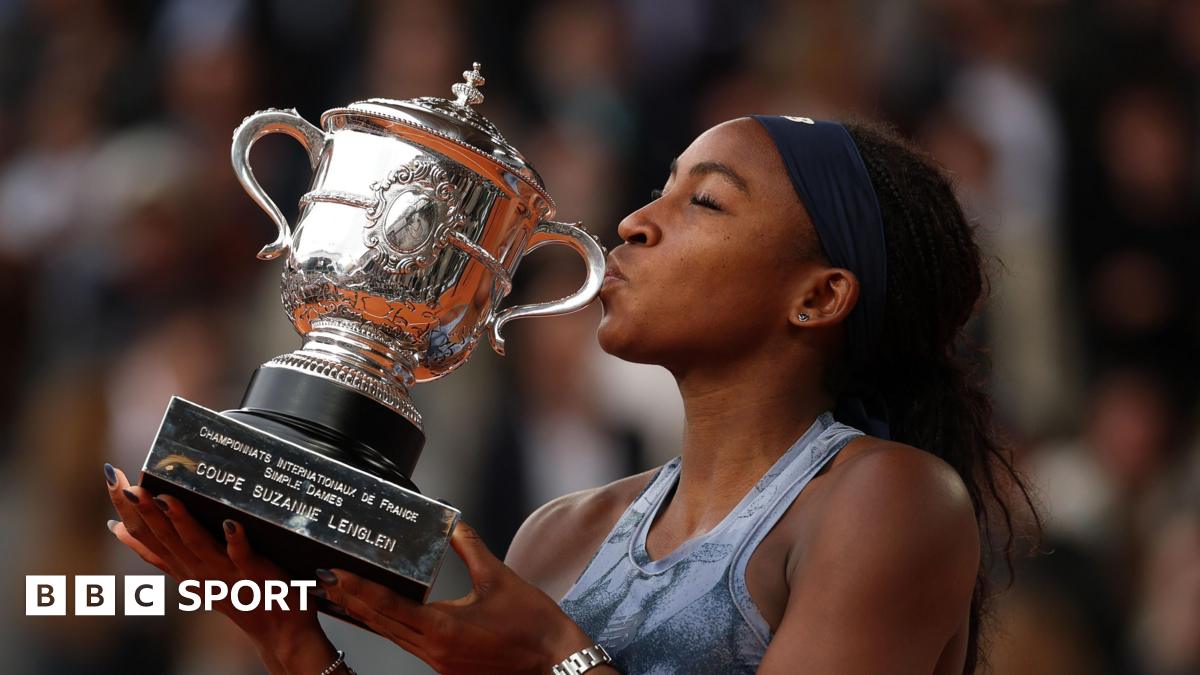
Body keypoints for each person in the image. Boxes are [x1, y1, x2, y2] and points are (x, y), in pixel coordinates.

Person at [105, 115, 1037, 674]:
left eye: (704, 202)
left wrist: (560, 658)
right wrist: (290, 644)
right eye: (660, 189)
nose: (635, 221)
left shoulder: (888, 500)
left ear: (819, 295)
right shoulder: (564, 531)